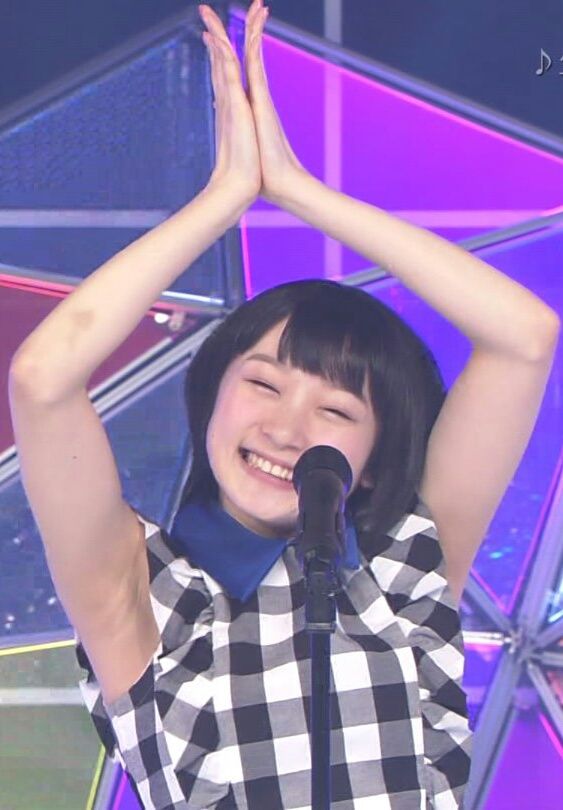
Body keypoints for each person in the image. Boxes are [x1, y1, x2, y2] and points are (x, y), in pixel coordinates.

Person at [8, 1, 559, 808]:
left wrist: (299, 192)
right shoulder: (139, 590)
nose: (286, 429)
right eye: (263, 384)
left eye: (336, 413)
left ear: (372, 463)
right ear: (211, 399)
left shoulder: (404, 566)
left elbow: (524, 337)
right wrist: (225, 197)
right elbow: (42, 379)